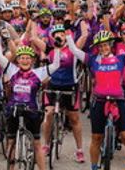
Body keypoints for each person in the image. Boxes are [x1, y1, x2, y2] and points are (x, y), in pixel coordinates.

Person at [66, 23, 125, 170]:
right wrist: (68, 32)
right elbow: (74, 50)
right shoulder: (92, 60)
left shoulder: (121, 59)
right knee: (96, 138)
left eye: (106, 45)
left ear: (110, 45)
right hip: (99, 101)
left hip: (119, 100)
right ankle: (94, 167)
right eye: (100, 46)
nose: (103, 48)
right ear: (97, 48)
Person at [0, 36, 61, 170]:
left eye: (27, 58)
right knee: (11, 142)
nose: (24, 60)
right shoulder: (12, 70)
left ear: (32, 60)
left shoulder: (39, 73)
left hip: (32, 111)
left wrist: (57, 48)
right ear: (17, 60)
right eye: (22, 58)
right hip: (13, 109)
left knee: (37, 143)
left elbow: (56, 65)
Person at [31, 24, 88, 163]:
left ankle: (79, 150)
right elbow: (33, 38)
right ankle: (46, 144)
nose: (60, 36)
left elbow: (85, 35)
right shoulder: (49, 49)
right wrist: (33, 21)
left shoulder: (73, 49)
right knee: (49, 114)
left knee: (74, 118)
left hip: (70, 86)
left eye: (63, 34)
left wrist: (81, 21)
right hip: (53, 85)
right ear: (52, 37)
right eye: (57, 34)